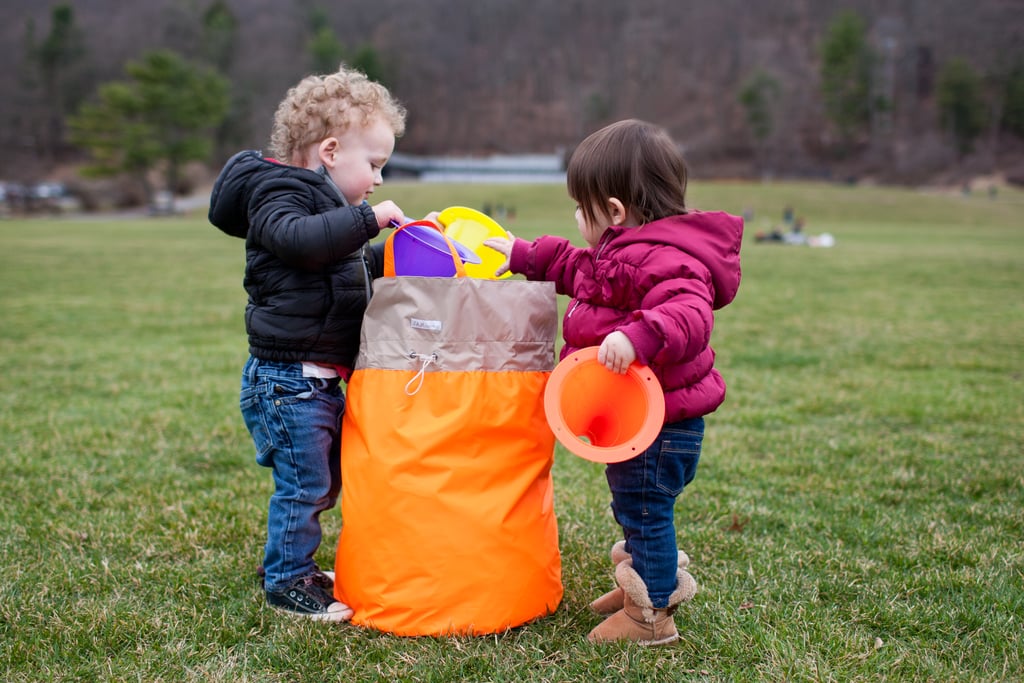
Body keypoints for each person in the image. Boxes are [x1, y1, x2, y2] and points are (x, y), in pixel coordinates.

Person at [484, 119, 743, 646]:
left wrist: (639, 336)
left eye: (581, 208)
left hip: (662, 424)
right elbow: (573, 266)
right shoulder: (622, 255)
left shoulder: (670, 260)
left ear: (616, 212)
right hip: (643, 421)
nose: (576, 218)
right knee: (631, 505)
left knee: (645, 513)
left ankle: (651, 614)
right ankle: (640, 586)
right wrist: (518, 253)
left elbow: (690, 313)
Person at [208, 64, 414, 621]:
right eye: (372, 164)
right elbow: (297, 243)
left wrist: (400, 248)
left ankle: (289, 557)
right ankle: (287, 582)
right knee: (305, 486)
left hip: (316, 381)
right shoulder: (279, 192)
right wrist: (369, 220)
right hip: (287, 380)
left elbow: (341, 264)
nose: (376, 180)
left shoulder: (329, 212)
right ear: (328, 151)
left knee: (322, 483)